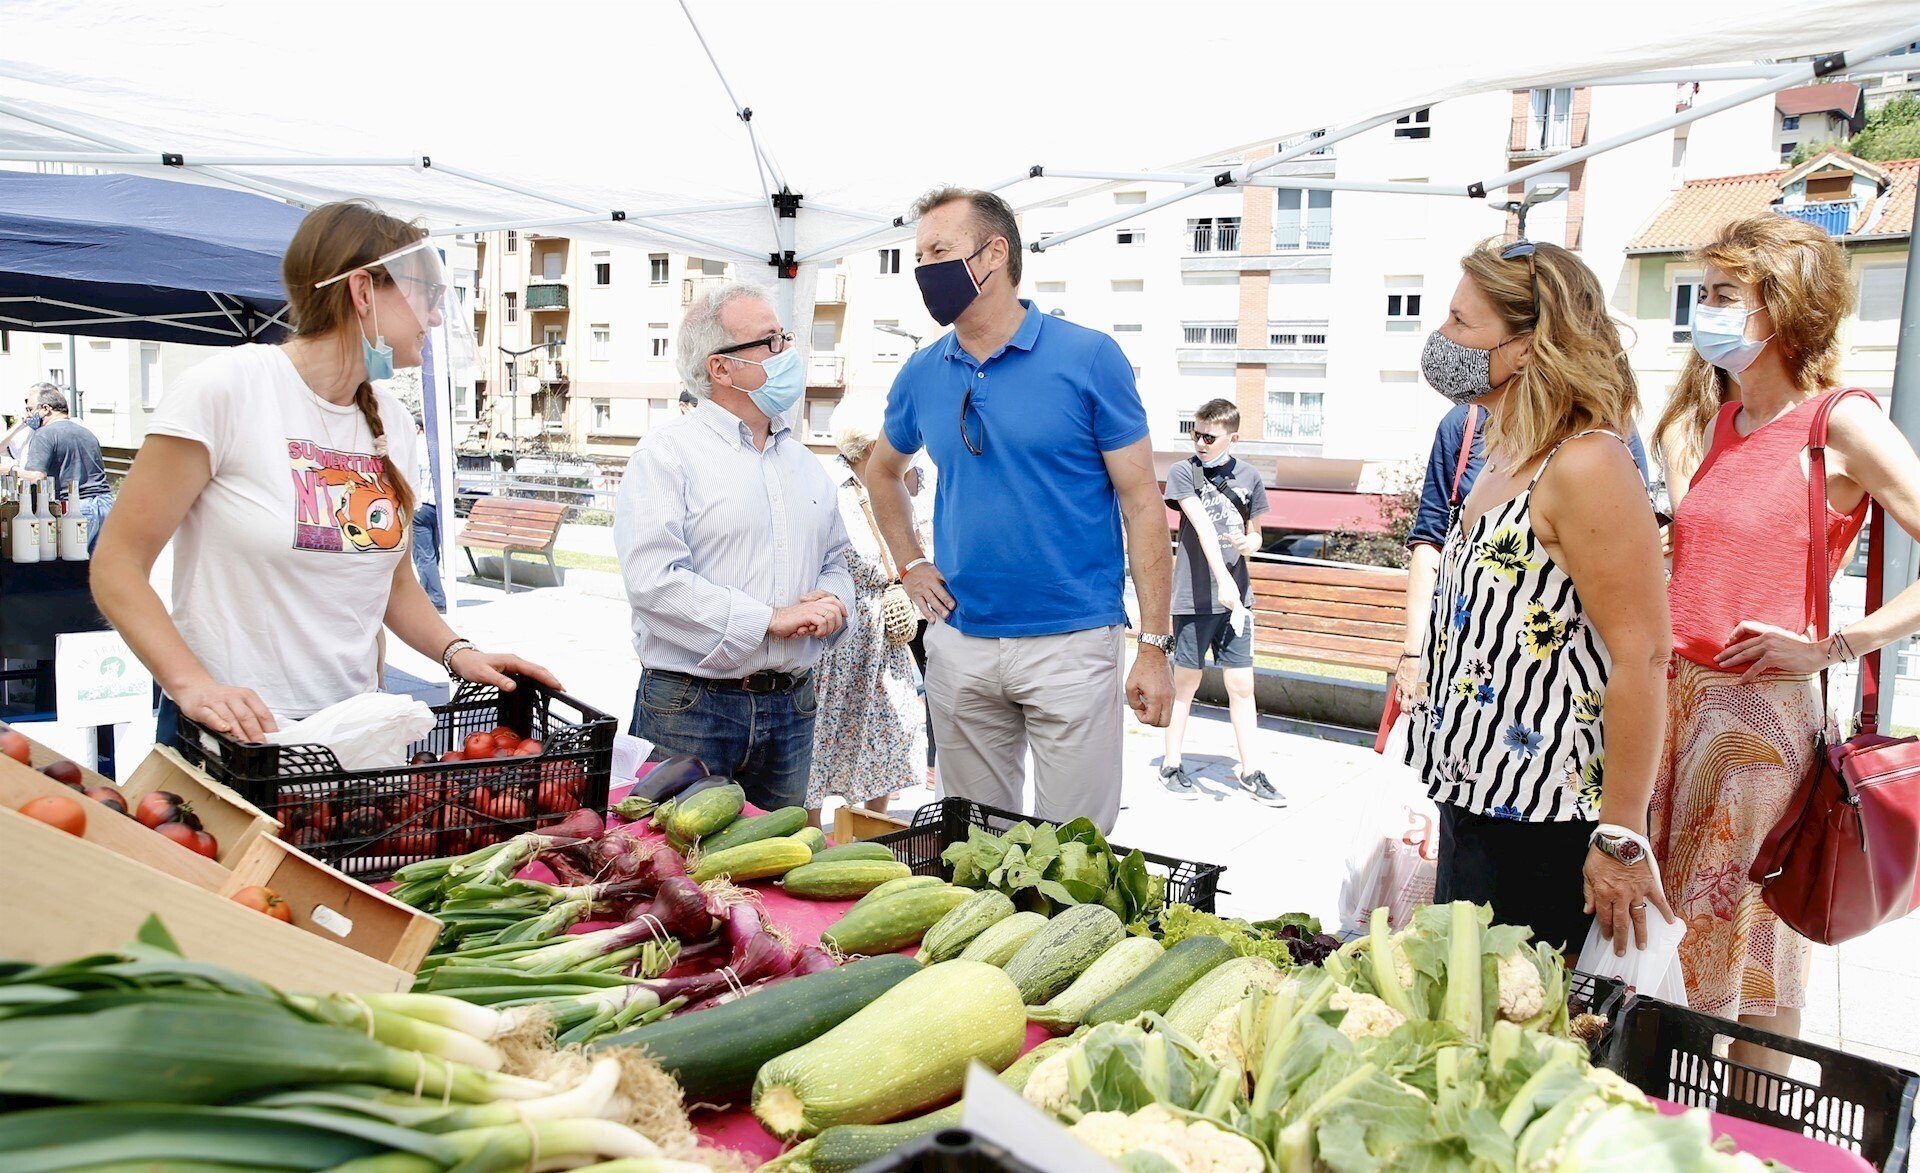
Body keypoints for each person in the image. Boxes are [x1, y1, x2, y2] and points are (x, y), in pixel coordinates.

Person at [92, 201, 557, 745]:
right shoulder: (226, 388)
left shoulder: (393, 421)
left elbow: (393, 583)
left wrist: (459, 653)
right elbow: (117, 566)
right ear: (363, 292)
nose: (435, 317)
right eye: (425, 293)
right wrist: (191, 685)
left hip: (353, 731)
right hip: (236, 736)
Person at [1648, 215, 1920, 1056]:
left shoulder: (1840, 421)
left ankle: (1751, 1123)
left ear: (1786, 306)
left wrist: (1836, 646)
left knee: (1756, 955)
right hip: (1680, 715)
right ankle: (1683, 1117)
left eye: (1725, 293)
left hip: (1759, 728)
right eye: (1705, 291)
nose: (1705, 309)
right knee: (1675, 951)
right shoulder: (1722, 421)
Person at [864, 186, 1174, 834]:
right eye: (918, 256)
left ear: (994, 253)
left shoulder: (1089, 358)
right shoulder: (922, 371)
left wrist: (1153, 644)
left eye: (938, 251)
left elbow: (1143, 501)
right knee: (974, 846)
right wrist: (911, 564)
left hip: (1072, 642)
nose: (923, 269)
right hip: (961, 641)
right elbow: (882, 471)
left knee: (1074, 853)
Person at [1403, 238, 1673, 955]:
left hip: (1546, 827)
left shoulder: (1587, 463)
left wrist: (1620, 834)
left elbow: (1644, 656)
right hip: (1476, 805)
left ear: (1525, 349)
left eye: (1461, 322)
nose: (1442, 336)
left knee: (1522, 1016)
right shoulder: (1504, 449)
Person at [614, 282, 854, 812]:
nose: (786, 354)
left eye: (784, 338)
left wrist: (834, 602)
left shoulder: (804, 463)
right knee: (668, 856)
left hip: (791, 704)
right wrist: (770, 619)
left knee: (778, 858)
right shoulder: (666, 455)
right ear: (721, 368)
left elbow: (836, 560)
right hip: (692, 706)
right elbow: (654, 583)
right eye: (770, 342)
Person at [1395, 406, 1650, 714]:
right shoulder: (1464, 423)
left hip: (1553, 683)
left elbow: (1631, 550)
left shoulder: (1605, 433)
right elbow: (1429, 540)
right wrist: (1413, 654)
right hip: (1457, 664)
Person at [805, 391, 929, 826]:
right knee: (824, 734)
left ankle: (871, 834)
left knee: (890, 730)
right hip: (839, 636)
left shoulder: (907, 483)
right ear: (875, 444)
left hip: (886, 633)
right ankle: (809, 837)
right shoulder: (827, 486)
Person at [1159, 397, 1279, 806]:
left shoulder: (1250, 477)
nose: (1200, 443)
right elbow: (1204, 529)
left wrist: (1251, 543)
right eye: (1196, 434)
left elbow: (1256, 532)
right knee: (1186, 684)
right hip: (1194, 598)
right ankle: (1171, 763)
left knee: (1242, 685)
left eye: (1209, 437)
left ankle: (1251, 770)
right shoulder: (1184, 472)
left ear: (1233, 438)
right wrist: (1224, 581)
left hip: (1237, 602)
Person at [18, 386, 115, 553]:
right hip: (107, 506)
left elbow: (36, 476)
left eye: (30, 409)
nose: (27, 416)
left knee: (70, 563)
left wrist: (10, 469)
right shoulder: (86, 433)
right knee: (100, 566)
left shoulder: (44, 434)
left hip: (77, 509)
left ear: (46, 408)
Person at [410, 415, 447, 612]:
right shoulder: (443, 447)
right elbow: (455, 479)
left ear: (417, 428)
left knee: (424, 554)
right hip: (440, 507)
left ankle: (435, 598)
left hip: (420, 505)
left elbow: (409, 477)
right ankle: (427, 592)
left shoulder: (414, 447)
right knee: (433, 550)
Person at [0, 385, 54, 475]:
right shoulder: (27, 432)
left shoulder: (59, 430)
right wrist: (19, 425)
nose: (28, 411)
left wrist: (13, 470)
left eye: (31, 408)